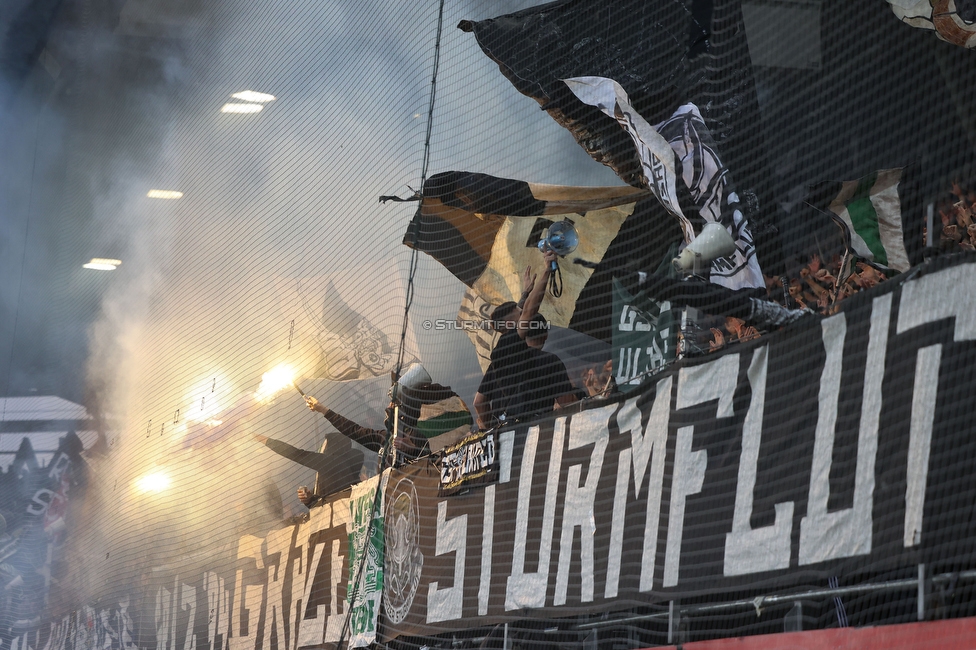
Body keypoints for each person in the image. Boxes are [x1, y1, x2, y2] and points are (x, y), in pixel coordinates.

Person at [474, 249, 557, 429]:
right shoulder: (508, 346)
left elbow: (479, 401)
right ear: (512, 326)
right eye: (520, 316)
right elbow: (528, 311)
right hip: (523, 431)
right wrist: (547, 270)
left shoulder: (502, 353)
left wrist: (525, 293)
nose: (526, 316)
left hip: (508, 435)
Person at [254, 432, 363, 508]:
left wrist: (261, 439)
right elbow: (325, 501)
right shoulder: (339, 468)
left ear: (333, 446)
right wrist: (309, 500)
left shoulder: (334, 463)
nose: (322, 449)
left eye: (325, 445)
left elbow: (297, 454)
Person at [505, 314, 579, 421]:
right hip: (535, 430)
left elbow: (479, 402)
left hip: (503, 431)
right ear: (546, 335)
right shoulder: (550, 361)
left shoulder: (506, 362)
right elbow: (567, 404)